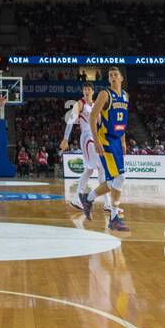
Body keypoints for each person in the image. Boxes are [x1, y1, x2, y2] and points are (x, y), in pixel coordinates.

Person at [78, 67, 131, 232]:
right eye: (110, 75)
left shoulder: (125, 96)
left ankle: (88, 198)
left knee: (112, 181)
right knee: (120, 177)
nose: (113, 77)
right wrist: (96, 141)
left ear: (121, 78)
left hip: (117, 139)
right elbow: (93, 117)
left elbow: (121, 120)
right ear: (108, 79)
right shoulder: (104, 94)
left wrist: (123, 140)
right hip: (105, 140)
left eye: (116, 75)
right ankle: (114, 218)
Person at [63, 83, 99, 208]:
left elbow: (100, 123)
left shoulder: (95, 105)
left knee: (91, 169)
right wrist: (65, 139)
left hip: (95, 137)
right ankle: (107, 204)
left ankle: (77, 198)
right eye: (84, 89)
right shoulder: (80, 104)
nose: (86, 91)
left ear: (93, 91)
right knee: (99, 167)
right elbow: (71, 121)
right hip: (87, 138)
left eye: (89, 89)